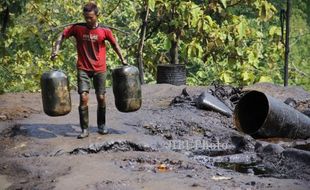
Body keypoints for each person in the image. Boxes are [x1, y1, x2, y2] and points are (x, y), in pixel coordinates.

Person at [51, 2, 127, 139]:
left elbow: (115, 45)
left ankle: (101, 125)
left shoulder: (105, 30)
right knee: (83, 97)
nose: (88, 20)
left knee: (101, 97)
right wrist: (55, 51)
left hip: (100, 69)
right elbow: (61, 36)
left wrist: (123, 59)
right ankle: (84, 129)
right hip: (83, 68)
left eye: (91, 17)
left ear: (97, 16)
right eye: (86, 17)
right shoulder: (77, 28)